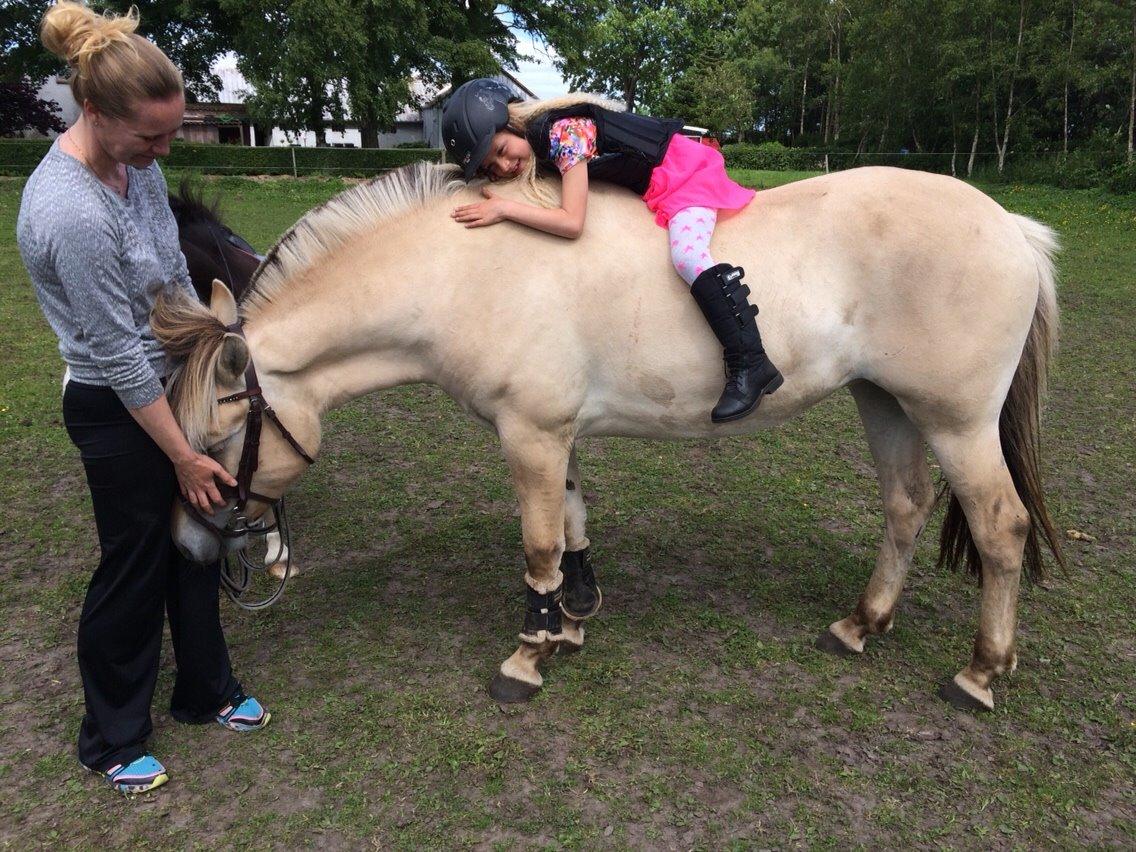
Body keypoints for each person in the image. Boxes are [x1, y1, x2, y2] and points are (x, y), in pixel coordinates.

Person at [16, 1, 270, 796]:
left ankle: (205, 691)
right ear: (93, 111)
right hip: (115, 408)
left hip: (171, 385)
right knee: (132, 566)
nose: (163, 151)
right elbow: (119, 356)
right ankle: (112, 738)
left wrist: (218, 347)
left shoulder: (138, 170)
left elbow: (166, 275)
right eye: (151, 136)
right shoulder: (68, 211)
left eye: (170, 133)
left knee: (194, 547)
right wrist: (187, 455)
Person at [442, 79, 783, 422]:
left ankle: (751, 361)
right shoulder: (539, 145)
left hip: (682, 173)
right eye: (490, 168)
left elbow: (572, 222)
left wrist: (504, 209)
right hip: (656, 180)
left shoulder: (564, 134)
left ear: (514, 124)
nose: (503, 168)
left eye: (501, 151)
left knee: (688, 256)